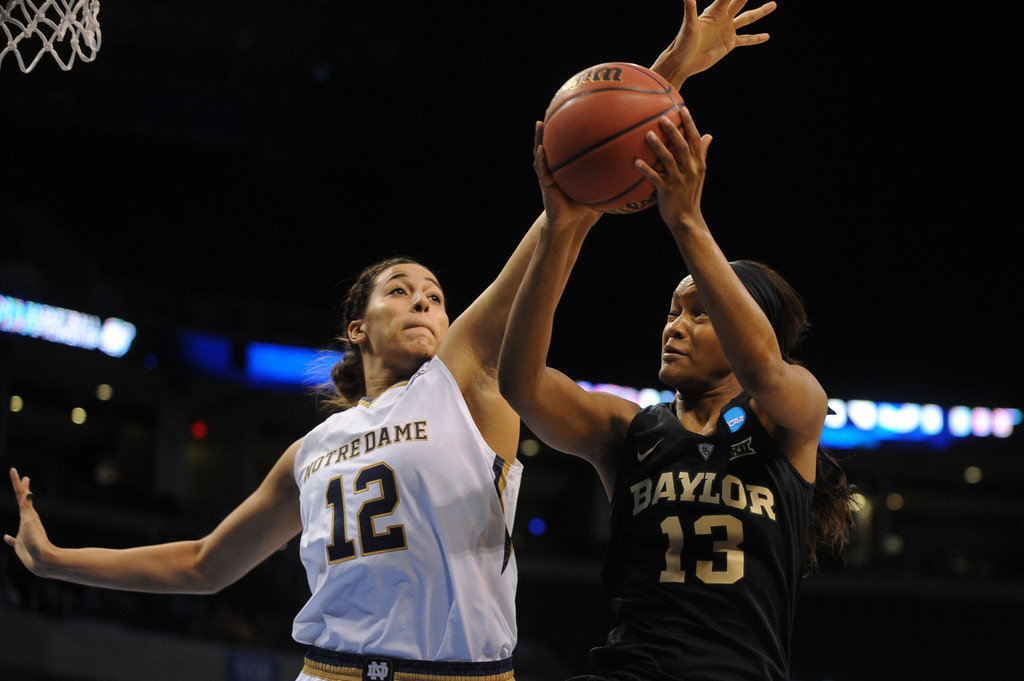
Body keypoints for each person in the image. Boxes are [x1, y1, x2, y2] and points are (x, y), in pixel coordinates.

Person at [4, 2, 781, 680]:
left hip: (461, 678)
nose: (426, 301)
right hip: (328, 672)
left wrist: (670, 72)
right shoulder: (312, 450)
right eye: (402, 290)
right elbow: (207, 563)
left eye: (437, 296)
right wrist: (53, 559)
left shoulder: (462, 380)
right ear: (357, 325)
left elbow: (577, 184)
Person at [497, 87, 855, 679]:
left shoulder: (790, 416)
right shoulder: (631, 431)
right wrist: (562, 228)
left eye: (700, 312)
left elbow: (763, 367)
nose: (674, 328)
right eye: (671, 312)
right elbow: (521, 383)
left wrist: (686, 219)